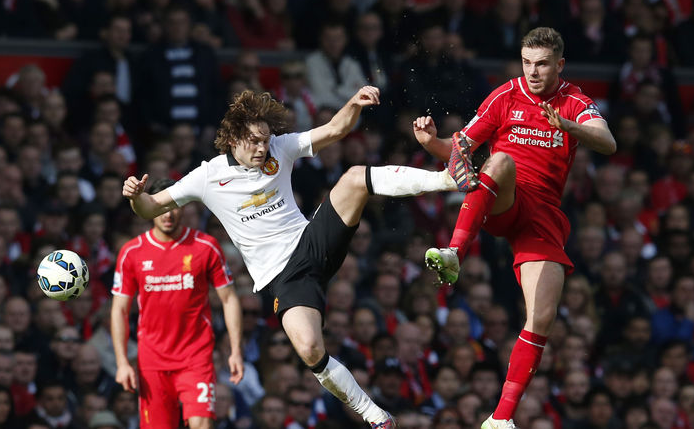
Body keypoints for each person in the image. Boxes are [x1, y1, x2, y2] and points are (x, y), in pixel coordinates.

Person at [121, 85, 467, 428]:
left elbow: (336, 129)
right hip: (283, 277)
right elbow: (150, 207)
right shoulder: (207, 176)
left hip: (312, 241)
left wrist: (353, 102)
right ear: (233, 139)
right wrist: (136, 196)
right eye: (254, 141)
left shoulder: (280, 147)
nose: (262, 148)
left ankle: (449, 179)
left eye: (265, 140)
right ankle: (376, 417)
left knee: (353, 179)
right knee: (310, 349)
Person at [417, 27, 616, 429]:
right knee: (501, 160)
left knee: (541, 319)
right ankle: (454, 251)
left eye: (542, 64)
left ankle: (501, 419)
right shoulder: (506, 95)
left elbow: (607, 142)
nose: (533, 72)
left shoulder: (575, 101)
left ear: (559, 64)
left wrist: (569, 126)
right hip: (503, 197)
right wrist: (431, 143)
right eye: (527, 63)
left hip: (543, 215)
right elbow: (460, 151)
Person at [111, 178, 244, 429]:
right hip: (152, 361)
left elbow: (229, 299)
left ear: (183, 207)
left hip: (196, 357)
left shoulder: (206, 247)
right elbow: (119, 310)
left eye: (173, 206)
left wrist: (236, 350)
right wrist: (122, 362)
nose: (168, 214)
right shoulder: (132, 252)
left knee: (202, 424)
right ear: (149, 208)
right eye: (161, 207)